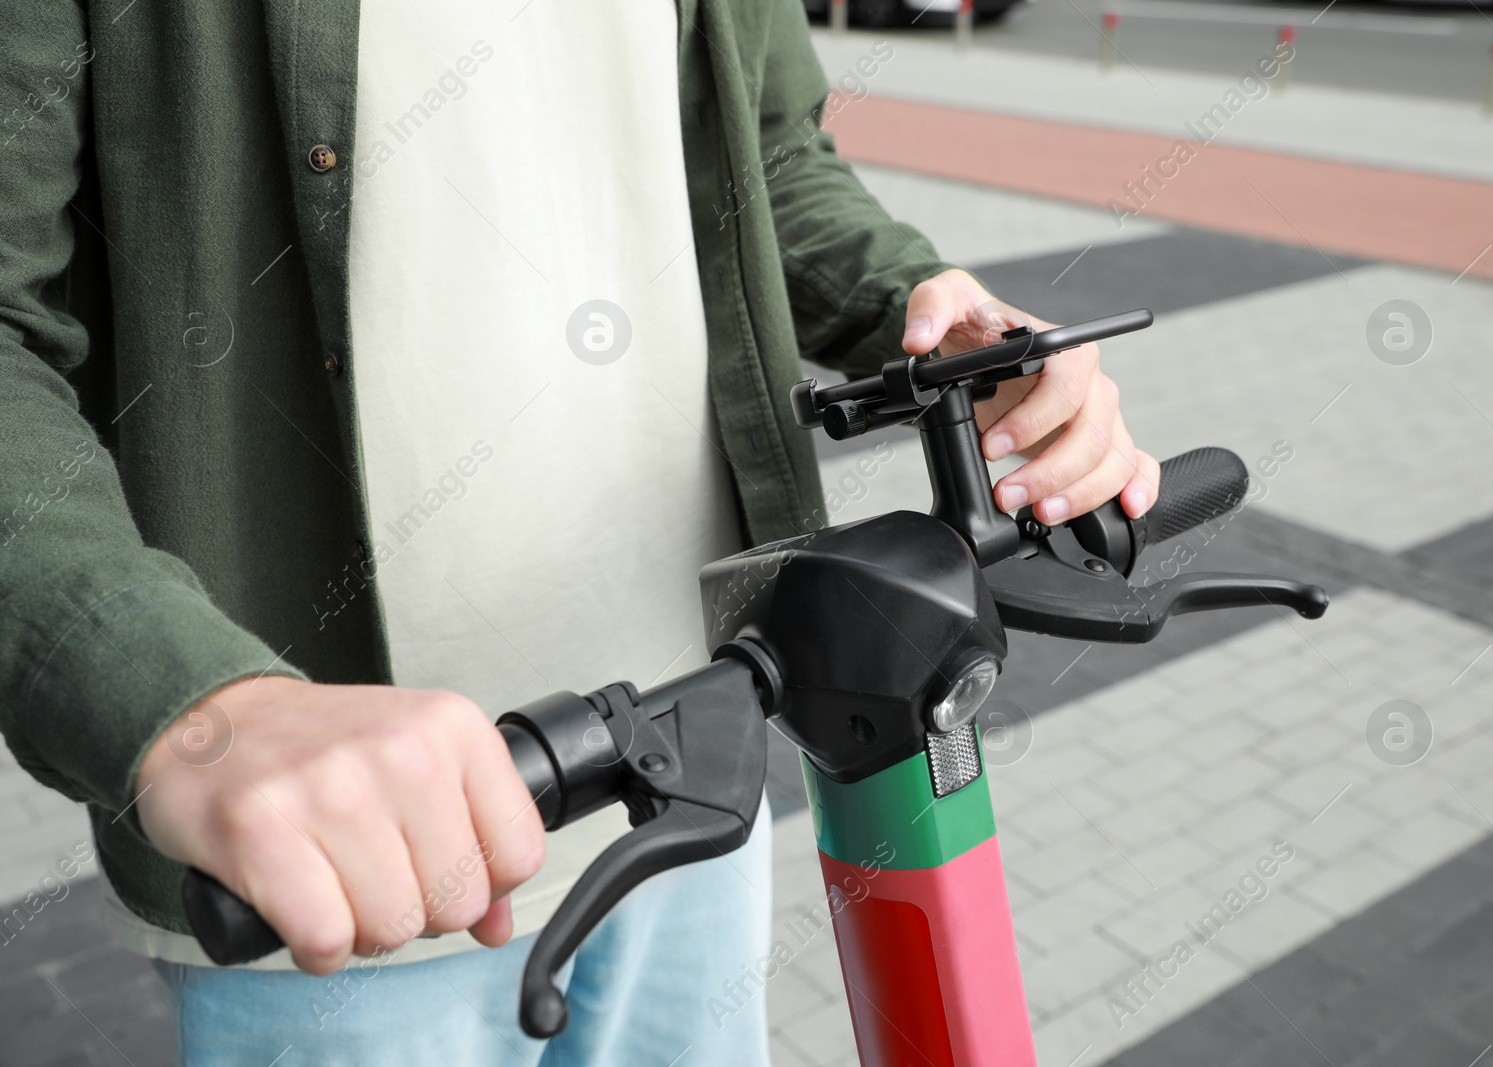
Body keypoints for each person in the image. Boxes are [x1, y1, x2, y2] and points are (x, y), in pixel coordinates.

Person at [0, 1, 1158, 1063]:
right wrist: (185, 694)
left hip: (699, 751)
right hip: (343, 851)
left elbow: (767, 152)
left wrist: (946, 327)